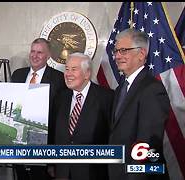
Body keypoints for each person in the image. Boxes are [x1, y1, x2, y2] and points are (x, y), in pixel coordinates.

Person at [108, 28, 170, 180]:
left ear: (141, 54)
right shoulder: (120, 89)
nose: (117, 56)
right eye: (116, 51)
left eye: (123, 50)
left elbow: (148, 143)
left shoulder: (152, 89)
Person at [11, 38, 66, 180]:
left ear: (48, 56)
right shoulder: (17, 75)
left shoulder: (59, 78)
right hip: (19, 141)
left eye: (40, 52)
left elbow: (60, 117)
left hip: (44, 144)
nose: (35, 56)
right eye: (33, 51)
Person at [53, 52, 113, 180]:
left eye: (74, 69)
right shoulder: (60, 98)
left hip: (94, 173)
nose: (68, 74)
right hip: (62, 173)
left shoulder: (107, 98)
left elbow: (112, 138)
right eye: (67, 69)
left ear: (87, 73)